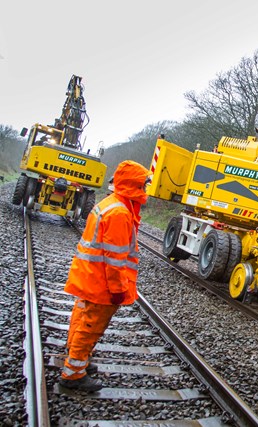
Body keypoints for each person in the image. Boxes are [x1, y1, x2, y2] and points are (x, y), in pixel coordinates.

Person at [59, 160, 151, 391]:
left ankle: (76, 357)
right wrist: (119, 290)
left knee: (81, 317)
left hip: (89, 276)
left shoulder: (109, 204)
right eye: (143, 185)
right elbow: (115, 260)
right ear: (134, 186)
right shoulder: (120, 213)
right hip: (101, 283)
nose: (146, 191)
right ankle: (73, 373)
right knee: (91, 325)